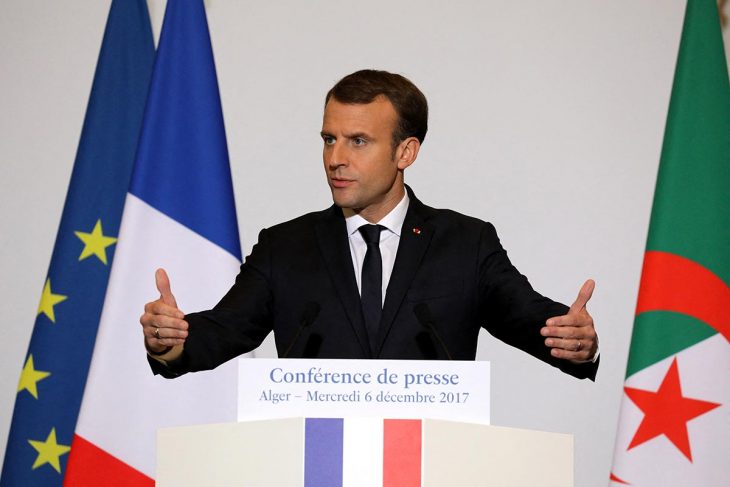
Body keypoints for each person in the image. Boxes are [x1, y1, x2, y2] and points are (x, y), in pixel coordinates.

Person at [140, 69, 599, 380]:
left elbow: (533, 321)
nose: (335, 158)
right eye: (329, 139)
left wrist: (578, 342)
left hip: (430, 463)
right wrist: (171, 341)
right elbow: (222, 331)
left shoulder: (467, 244)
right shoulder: (285, 247)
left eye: (358, 141)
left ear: (406, 152)